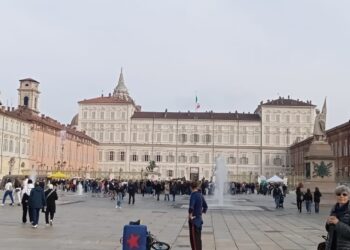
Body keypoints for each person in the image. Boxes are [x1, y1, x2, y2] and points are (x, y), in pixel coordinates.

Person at [325, 185, 350, 249]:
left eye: (344, 194)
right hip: (331, 245)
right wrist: (328, 223)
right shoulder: (334, 209)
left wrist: (337, 223)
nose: (341, 196)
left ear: (349, 197)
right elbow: (330, 230)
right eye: (338, 194)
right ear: (336, 196)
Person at [188, 181, 208, 250]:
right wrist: (200, 213)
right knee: (198, 239)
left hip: (194, 221)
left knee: (193, 240)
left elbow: (191, 207)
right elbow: (205, 206)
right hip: (199, 220)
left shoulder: (193, 195)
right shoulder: (200, 195)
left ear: (191, 187)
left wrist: (190, 215)